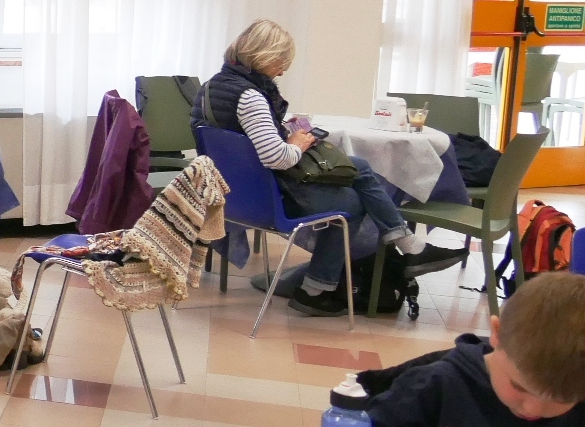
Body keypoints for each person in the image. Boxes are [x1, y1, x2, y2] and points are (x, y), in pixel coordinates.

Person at [191, 19, 461, 316]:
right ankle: (317, 290)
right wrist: (297, 143)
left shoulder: (211, 87)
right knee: (353, 202)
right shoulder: (250, 97)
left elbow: (246, 143)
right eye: (281, 62)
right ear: (264, 55)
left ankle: (406, 245)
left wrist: (282, 133)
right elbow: (277, 158)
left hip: (236, 194)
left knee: (358, 167)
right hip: (270, 198)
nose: (282, 71)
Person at [368, 272, 585, 427]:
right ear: (497, 333)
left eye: (561, 400)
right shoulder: (438, 383)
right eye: (519, 387)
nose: (532, 409)